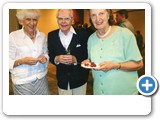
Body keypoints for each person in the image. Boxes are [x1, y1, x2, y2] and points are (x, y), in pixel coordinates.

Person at [82, 9, 143, 95]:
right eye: (93, 15)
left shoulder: (125, 34)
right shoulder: (91, 38)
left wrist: (117, 65)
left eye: (101, 14)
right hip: (99, 92)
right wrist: (88, 62)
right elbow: (92, 60)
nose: (97, 19)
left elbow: (139, 64)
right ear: (90, 19)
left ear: (109, 15)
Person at [48, 9, 89, 95]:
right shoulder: (52, 35)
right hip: (62, 80)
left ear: (72, 20)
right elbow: (50, 54)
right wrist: (56, 58)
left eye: (67, 18)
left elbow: (87, 55)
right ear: (57, 20)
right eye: (60, 18)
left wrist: (76, 60)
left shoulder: (83, 34)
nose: (63, 22)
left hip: (80, 79)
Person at [9, 9, 50, 95]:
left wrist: (45, 58)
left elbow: (46, 53)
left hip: (41, 77)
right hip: (22, 81)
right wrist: (22, 61)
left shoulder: (42, 36)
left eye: (34, 19)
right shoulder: (13, 36)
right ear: (21, 21)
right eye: (28, 19)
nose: (32, 23)